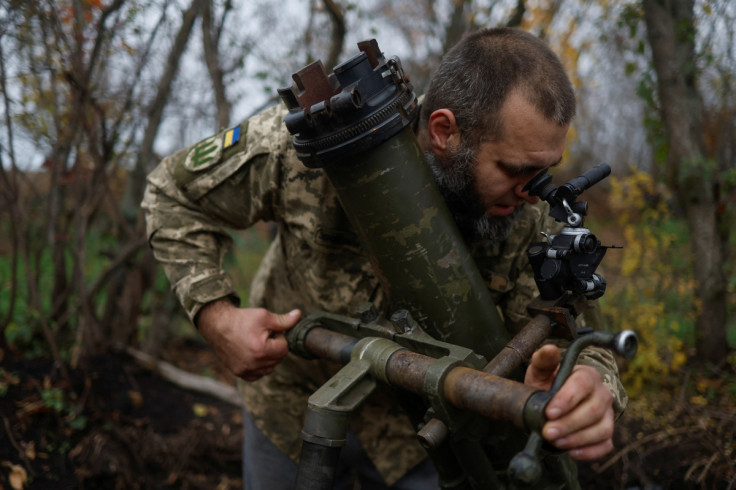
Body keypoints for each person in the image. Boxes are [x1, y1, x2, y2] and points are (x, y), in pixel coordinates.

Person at [142, 27, 627, 489]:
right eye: (515, 169)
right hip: (291, 406)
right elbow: (170, 192)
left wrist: (591, 383)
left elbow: (585, 341)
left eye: (547, 170)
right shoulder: (312, 148)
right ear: (444, 131)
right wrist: (216, 316)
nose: (533, 192)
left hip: (425, 438)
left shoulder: (534, 218)